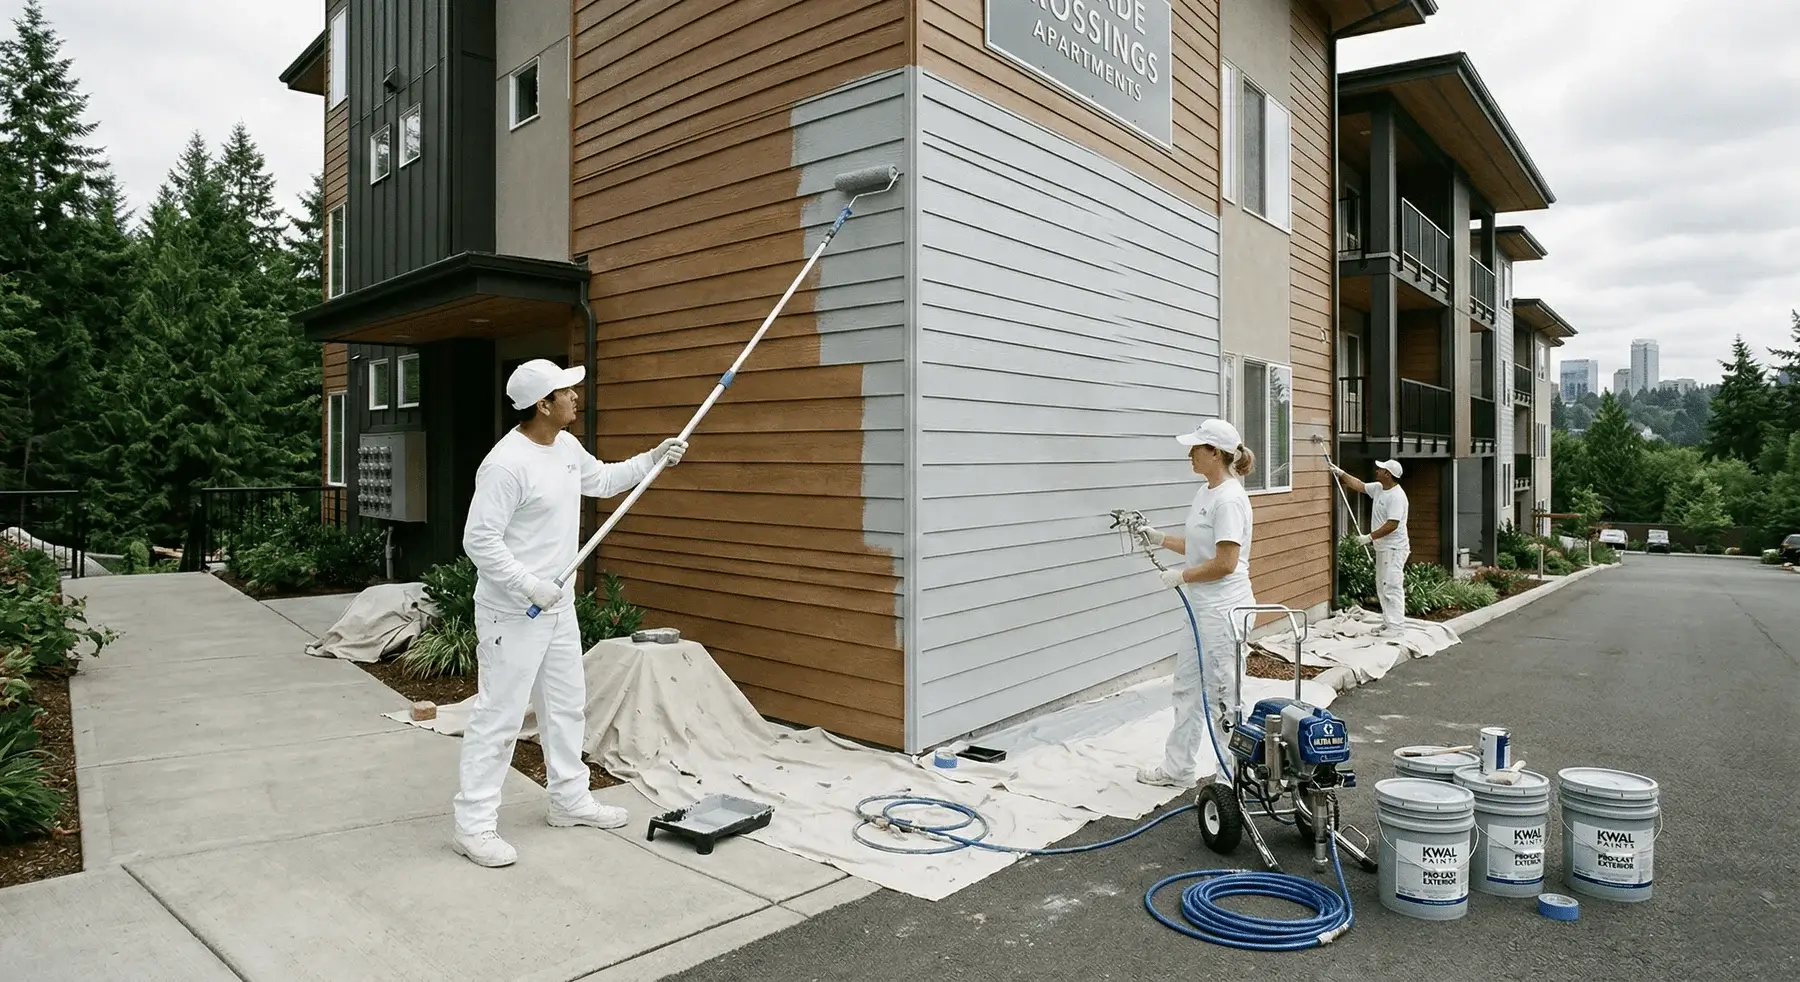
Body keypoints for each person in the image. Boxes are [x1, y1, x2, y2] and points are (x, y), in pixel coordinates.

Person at [451, 358, 687, 868]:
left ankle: (569, 800)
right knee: (500, 716)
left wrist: (653, 458)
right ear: (543, 404)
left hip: (557, 608)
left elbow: (601, 480)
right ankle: (473, 827)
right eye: (566, 392)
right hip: (512, 613)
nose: (576, 397)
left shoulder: (564, 448)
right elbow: (480, 541)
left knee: (566, 705)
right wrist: (528, 584)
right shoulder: (505, 464)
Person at [1132, 418, 1257, 788]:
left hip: (1223, 610)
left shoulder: (1231, 499)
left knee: (1224, 696)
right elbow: (1203, 548)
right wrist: (1160, 539)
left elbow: (1226, 562)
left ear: (1215, 453)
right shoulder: (1207, 492)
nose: (1190, 453)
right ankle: (1178, 767)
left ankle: (1230, 777)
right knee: (1186, 688)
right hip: (1199, 607)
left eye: (1196, 448)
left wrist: (1180, 576)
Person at [1330, 458, 1409, 636]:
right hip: (1384, 548)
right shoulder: (1380, 488)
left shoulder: (1396, 497)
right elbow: (1360, 486)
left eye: (1381, 469)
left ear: (1388, 474)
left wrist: (1368, 538)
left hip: (1394, 549)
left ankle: (1396, 628)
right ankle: (1388, 623)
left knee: (1392, 586)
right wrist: (1340, 473)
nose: (1377, 470)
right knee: (1382, 586)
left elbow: (1392, 524)